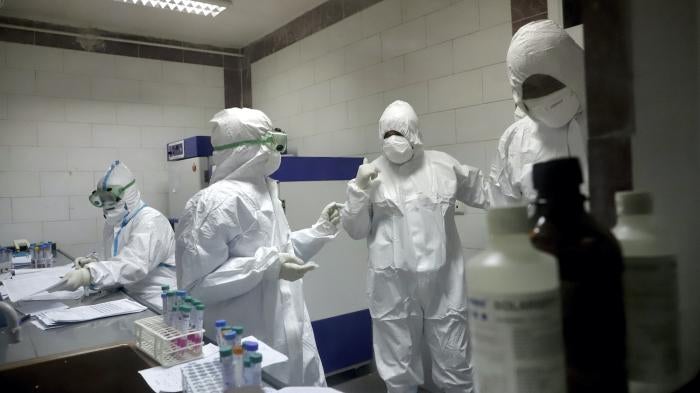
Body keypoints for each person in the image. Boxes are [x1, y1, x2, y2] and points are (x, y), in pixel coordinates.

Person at [175, 107, 342, 387]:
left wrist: (320, 231)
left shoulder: (267, 190)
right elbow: (195, 287)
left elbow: (281, 254)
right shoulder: (210, 204)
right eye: (268, 140)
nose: (275, 149)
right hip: (248, 346)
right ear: (243, 149)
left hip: (292, 336)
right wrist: (267, 267)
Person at [341, 100, 489, 393]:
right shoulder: (369, 175)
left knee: (455, 362)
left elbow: (488, 192)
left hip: (444, 282)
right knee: (398, 372)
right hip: (392, 286)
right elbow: (355, 230)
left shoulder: (444, 166)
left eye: (400, 133)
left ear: (415, 134)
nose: (393, 141)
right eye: (387, 134)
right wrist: (358, 191)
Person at [49, 160, 176, 310]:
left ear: (129, 193)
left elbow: (133, 265)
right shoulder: (113, 222)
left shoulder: (151, 222)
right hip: (128, 299)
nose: (107, 205)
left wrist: (89, 274)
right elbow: (115, 258)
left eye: (111, 198)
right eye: (102, 200)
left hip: (156, 304)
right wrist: (93, 261)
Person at [489, 19, 588, 206]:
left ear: (572, 70)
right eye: (532, 88)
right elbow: (505, 215)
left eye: (549, 81)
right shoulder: (514, 140)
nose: (544, 93)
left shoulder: (614, 122)